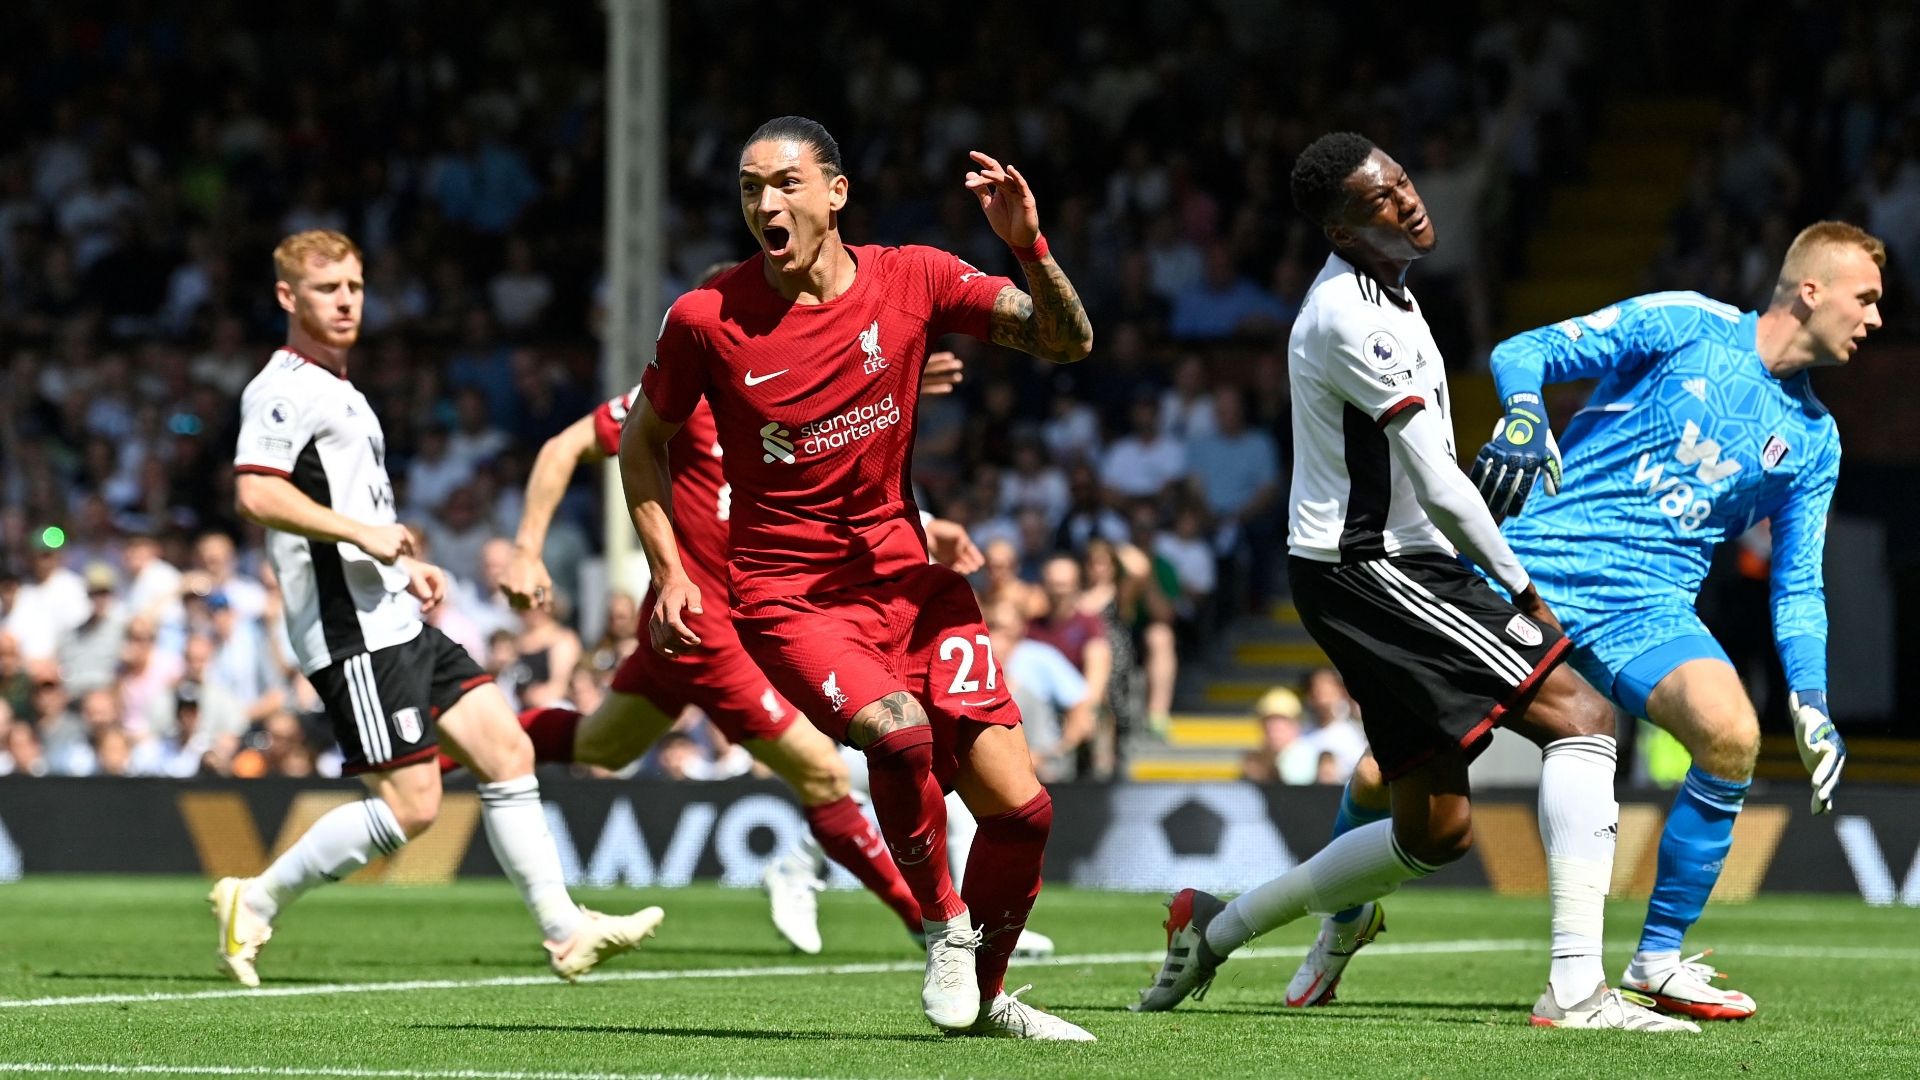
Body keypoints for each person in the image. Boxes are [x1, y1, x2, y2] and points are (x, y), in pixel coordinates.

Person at [1132, 132, 1694, 1032]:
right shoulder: (1348, 316)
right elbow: (1437, 482)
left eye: (1401, 180)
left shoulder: (1390, 291)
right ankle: (1578, 988)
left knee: (1434, 832)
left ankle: (1215, 923)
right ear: (1342, 229)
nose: (1408, 198)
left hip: (1362, 568)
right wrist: (1519, 589)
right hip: (1375, 567)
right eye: (1381, 198)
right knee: (1583, 718)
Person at [623, 117, 1094, 1040]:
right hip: (787, 596)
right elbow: (644, 445)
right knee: (900, 735)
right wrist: (668, 569)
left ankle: (989, 997)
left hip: (910, 587)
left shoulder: (911, 278)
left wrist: (1027, 246)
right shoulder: (706, 320)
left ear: (835, 193)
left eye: (787, 184)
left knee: (1023, 813)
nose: (767, 203)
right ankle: (942, 927)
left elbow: (1065, 340)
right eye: (752, 187)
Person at [210, 228, 662, 989]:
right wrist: (366, 536)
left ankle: (565, 933)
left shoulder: (343, 390)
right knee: (415, 806)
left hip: (389, 611)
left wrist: (403, 560)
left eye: (354, 286)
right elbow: (255, 492)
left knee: (507, 750)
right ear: (288, 298)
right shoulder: (281, 387)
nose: (346, 301)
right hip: (346, 630)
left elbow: (355, 507)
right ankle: (254, 900)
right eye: (327, 289)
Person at [485, 268, 982, 957]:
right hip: (705, 624)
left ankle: (462, 736)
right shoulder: (678, 399)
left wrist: (885, 397)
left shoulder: (779, 400)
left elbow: (813, 500)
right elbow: (563, 445)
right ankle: (934, 931)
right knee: (824, 775)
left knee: (605, 743)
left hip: (734, 617)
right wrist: (526, 551)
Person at [1451, 221, 1877, 1020]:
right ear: (1811, 291)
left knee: (1731, 734)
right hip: (1530, 573)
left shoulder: (1816, 442)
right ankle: (1335, 923)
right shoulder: (1687, 323)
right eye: (1867, 298)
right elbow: (1523, 351)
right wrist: (1522, 415)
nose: (1877, 318)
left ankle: (1657, 958)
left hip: (1647, 609)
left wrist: (1812, 699)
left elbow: (1798, 584)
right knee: (1391, 780)